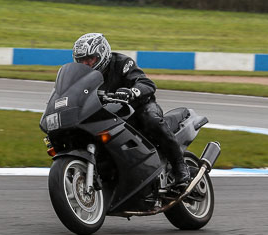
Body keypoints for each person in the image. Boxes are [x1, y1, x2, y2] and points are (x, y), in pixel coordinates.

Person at [72, 32, 191, 189]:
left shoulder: (122, 63)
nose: (86, 64)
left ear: (102, 54)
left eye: (90, 59)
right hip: (108, 115)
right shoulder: (79, 77)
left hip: (137, 108)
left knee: (151, 120)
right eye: (81, 61)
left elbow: (146, 83)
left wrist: (131, 92)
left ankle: (180, 167)